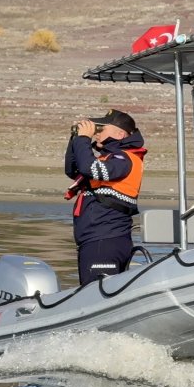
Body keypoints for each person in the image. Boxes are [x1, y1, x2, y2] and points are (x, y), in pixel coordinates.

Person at [64, 109, 146, 284]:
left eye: (102, 129)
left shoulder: (124, 159)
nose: (97, 133)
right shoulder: (108, 158)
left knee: (95, 291)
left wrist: (84, 139)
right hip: (97, 238)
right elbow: (73, 170)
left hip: (105, 238)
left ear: (120, 134)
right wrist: (76, 139)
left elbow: (88, 168)